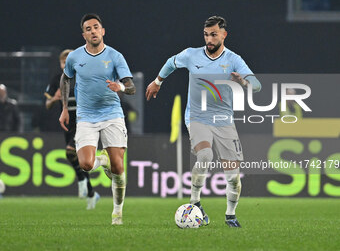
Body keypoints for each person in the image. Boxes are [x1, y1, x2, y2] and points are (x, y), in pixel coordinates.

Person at [146, 16, 261, 227]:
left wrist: (243, 81)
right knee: (205, 154)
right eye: (206, 34)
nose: (209, 39)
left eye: (214, 34)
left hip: (224, 121)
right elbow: (171, 63)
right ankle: (195, 203)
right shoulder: (191, 54)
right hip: (197, 117)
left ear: (224, 35)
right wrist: (157, 82)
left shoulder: (234, 59)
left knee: (233, 176)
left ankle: (230, 215)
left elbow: (257, 85)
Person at [59, 13, 136, 225]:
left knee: (118, 169)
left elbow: (131, 87)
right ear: (84, 34)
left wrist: (119, 86)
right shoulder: (75, 57)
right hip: (86, 117)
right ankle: (101, 160)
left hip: (112, 114)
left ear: (102, 31)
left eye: (96, 27)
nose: (93, 31)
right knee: (85, 164)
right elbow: (65, 79)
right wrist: (65, 108)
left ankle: (117, 213)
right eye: (88, 28)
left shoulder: (115, 56)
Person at [44, 49, 99, 210]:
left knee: (70, 151)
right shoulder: (57, 80)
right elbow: (47, 105)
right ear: (61, 64)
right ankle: (90, 191)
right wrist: (54, 99)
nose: (66, 64)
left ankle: (82, 181)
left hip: (83, 119)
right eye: (63, 61)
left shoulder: (83, 75)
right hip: (67, 121)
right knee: (76, 157)